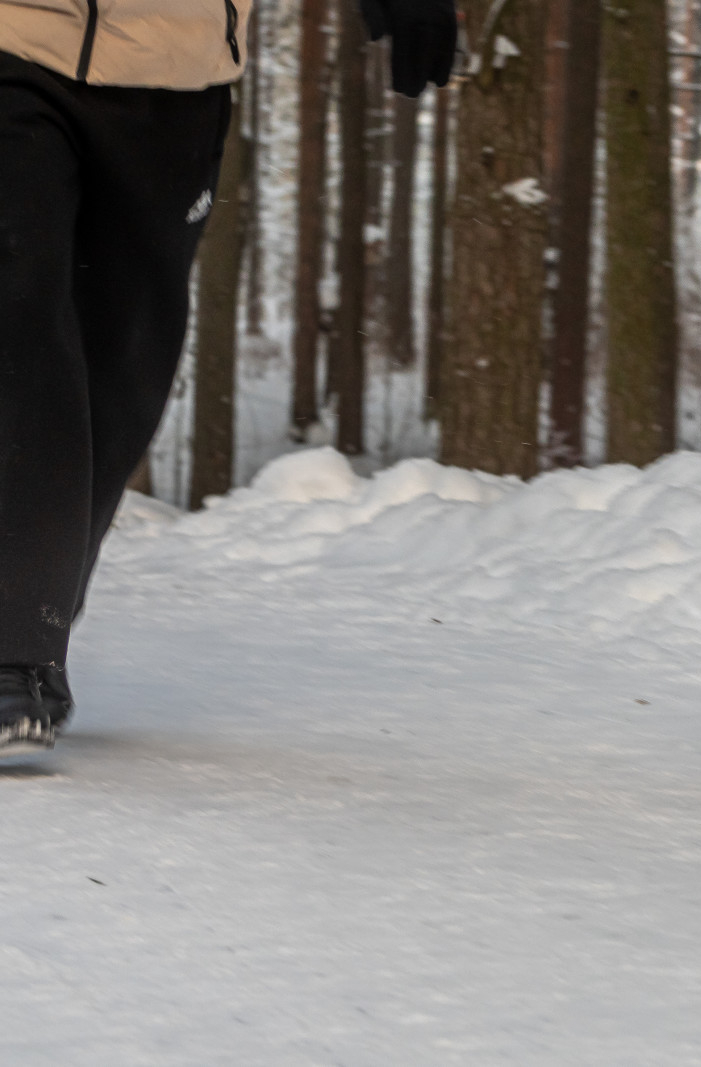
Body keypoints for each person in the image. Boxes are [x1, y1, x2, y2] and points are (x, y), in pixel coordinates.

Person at [0, 0, 456, 758]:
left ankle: (31, 598)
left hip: (176, 71)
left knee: (123, 370)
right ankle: (15, 648)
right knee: (16, 318)